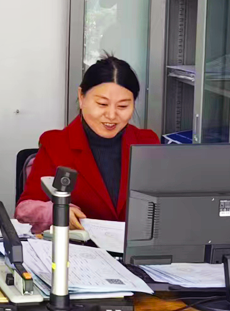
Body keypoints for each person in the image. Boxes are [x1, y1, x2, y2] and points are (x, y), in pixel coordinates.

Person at [15, 55, 159, 234]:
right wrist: (57, 212)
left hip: (135, 247)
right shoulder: (56, 144)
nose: (111, 115)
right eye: (102, 104)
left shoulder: (147, 143)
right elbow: (24, 209)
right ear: (81, 97)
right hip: (78, 248)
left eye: (122, 106)